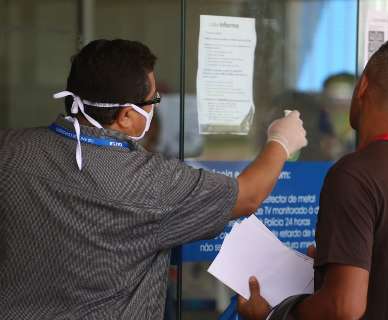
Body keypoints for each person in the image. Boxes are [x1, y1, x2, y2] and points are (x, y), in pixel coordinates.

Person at [0, 39, 307, 319]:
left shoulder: (9, 149)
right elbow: (247, 195)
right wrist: (280, 142)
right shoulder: (146, 182)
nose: (154, 107)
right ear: (126, 116)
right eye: (152, 101)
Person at [238, 40, 388, 320]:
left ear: (363, 88)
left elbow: (344, 306)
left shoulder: (354, 176)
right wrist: (334, 268)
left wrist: (275, 313)